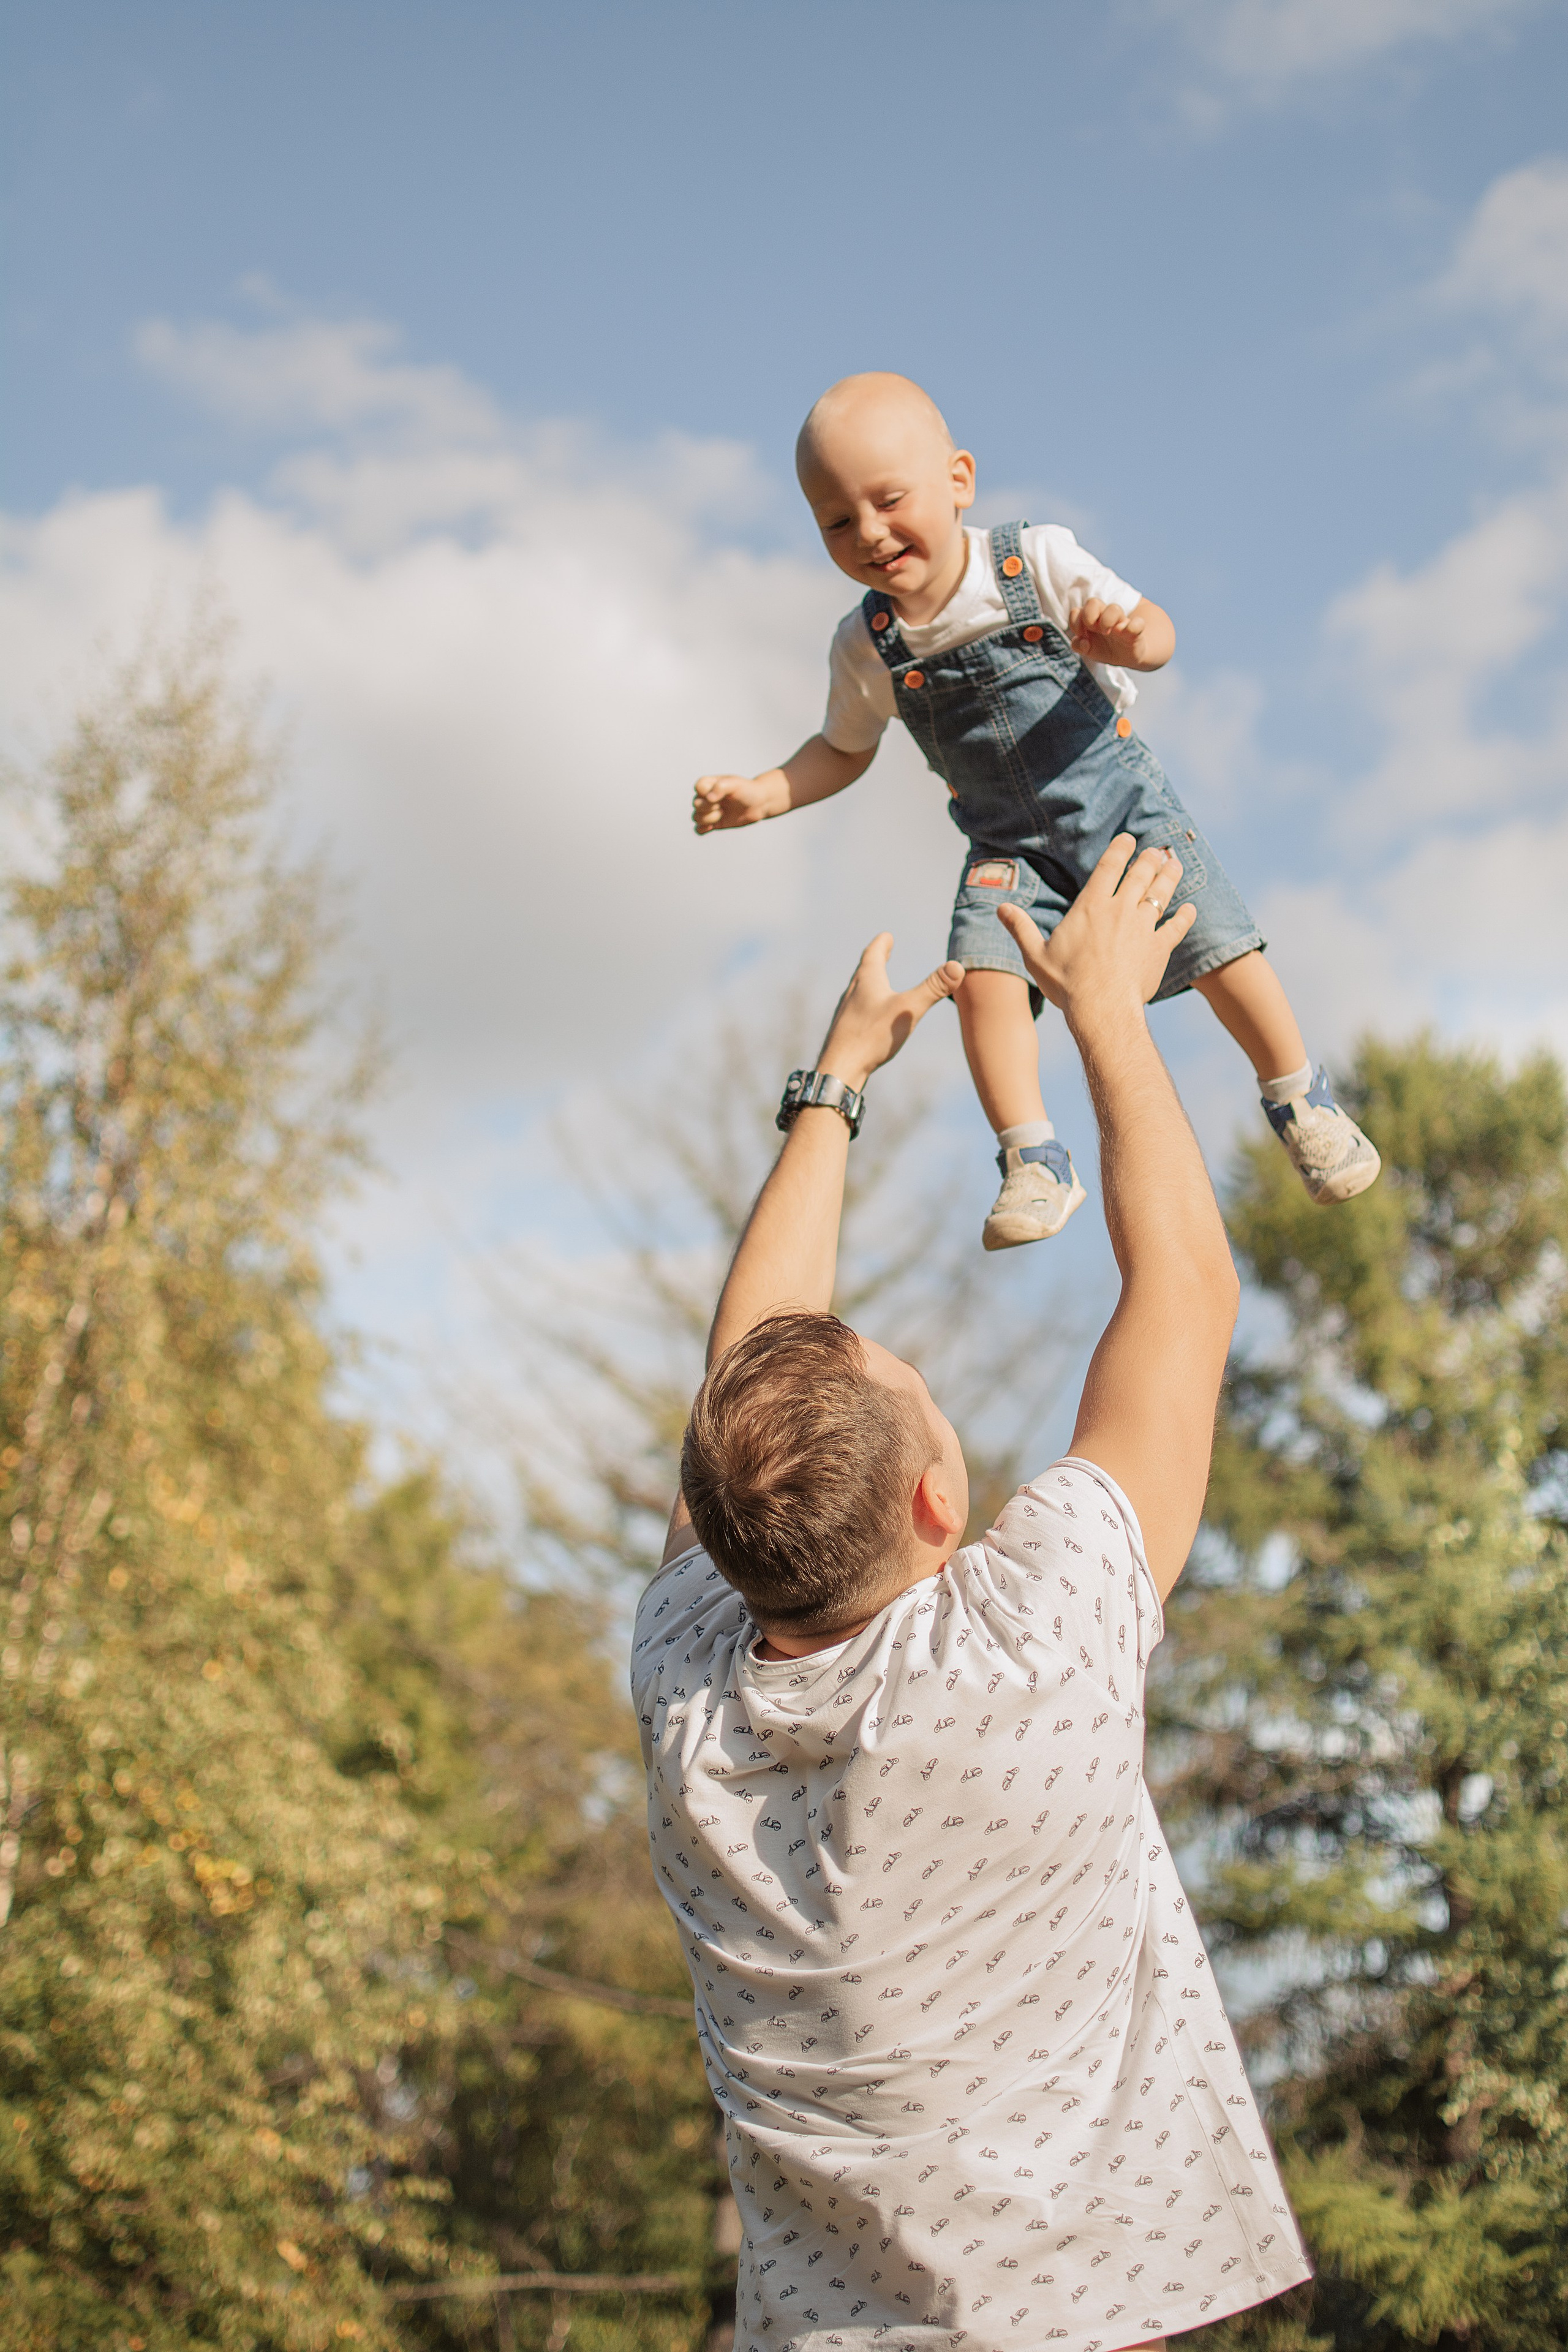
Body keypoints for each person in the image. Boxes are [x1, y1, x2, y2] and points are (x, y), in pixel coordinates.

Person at [631, 837, 1312, 2352]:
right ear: (942, 1501)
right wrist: (1111, 1019)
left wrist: (834, 1088)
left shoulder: (692, 1695)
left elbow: (749, 1381)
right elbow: (1190, 1293)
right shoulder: (1026, 1642)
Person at [692, 371, 1378, 1251]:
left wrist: (1129, 640)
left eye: (889, 500)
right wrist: (765, 792)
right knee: (981, 970)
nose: (868, 532)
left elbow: (1157, 631)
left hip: (1121, 809)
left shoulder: (1034, 561)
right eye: (835, 519)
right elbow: (841, 750)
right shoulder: (866, 644)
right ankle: (1033, 1158)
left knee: (1218, 944)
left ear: (958, 481)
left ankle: (1297, 1094)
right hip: (1008, 845)